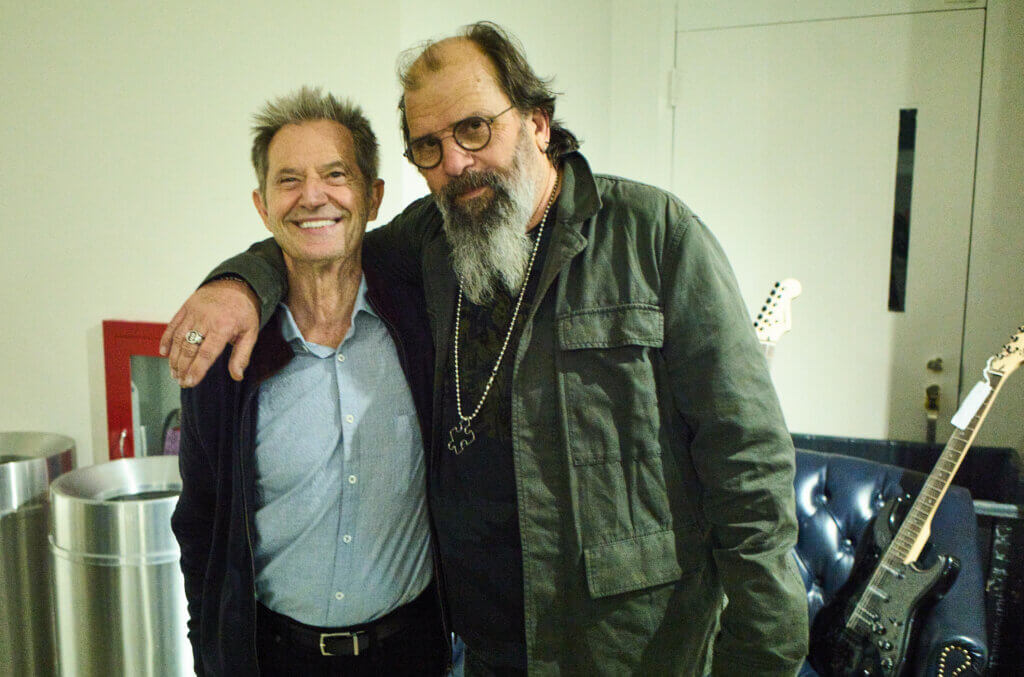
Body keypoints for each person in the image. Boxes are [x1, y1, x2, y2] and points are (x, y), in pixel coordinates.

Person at [163, 22, 808, 676]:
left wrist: (761, 654)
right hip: (486, 652)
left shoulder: (654, 237)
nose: (456, 163)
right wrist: (239, 284)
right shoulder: (430, 243)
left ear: (537, 122)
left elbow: (747, 462)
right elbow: (322, 235)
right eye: (429, 146)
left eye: (475, 128)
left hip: (636, 649)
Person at [169, 87, 449, 677]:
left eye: (335, 174)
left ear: (373, 197)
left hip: (412, 651)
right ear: (262, 205)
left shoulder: (424, 324)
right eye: (288, 180)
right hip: (275, 656)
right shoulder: (225, 354)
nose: (312, 196)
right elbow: (200, 524)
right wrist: (212, 655)